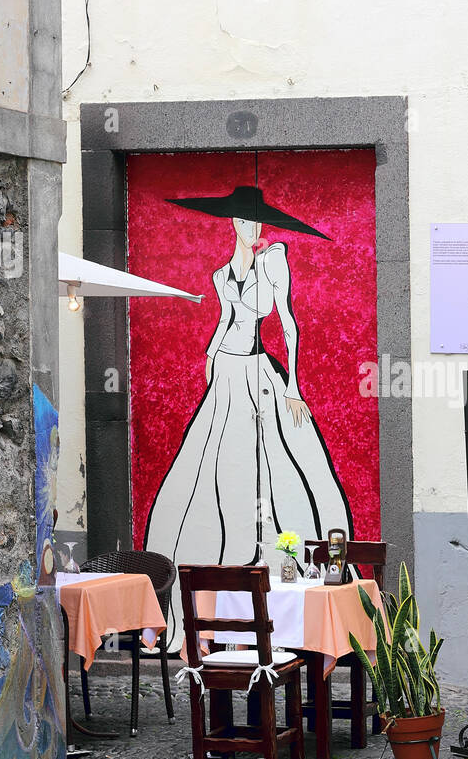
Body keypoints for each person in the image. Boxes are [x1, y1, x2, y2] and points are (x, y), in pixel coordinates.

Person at [144, 186, 355, 654]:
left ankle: (274, 565)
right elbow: (224, 320)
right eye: (243, 220)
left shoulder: (275, 260)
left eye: (256, 221)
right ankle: (212, 588)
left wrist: (295, 386)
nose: (251, 228)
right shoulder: (222, 274)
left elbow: (289, 323)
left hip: (260, 371)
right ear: (232, 224)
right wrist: (208, 355)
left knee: (277, 463)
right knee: (213, 465)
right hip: (226, 370)